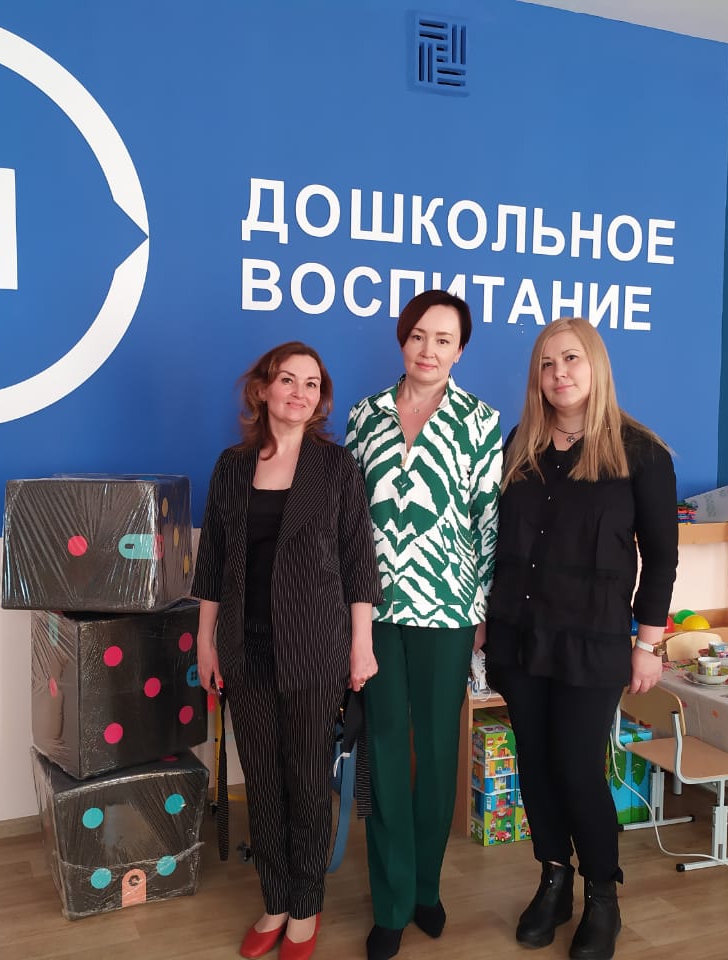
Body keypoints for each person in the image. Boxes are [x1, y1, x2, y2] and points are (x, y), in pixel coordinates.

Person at [484, 317, 678, 960]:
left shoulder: (640, 452)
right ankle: (553, 880)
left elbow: (662, 558)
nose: (558, 373)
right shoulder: (521, 446)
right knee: (535, 766)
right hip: (518, 636)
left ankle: (602, 895)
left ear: (595, 365)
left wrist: (648, 645)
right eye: (546, 363)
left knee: (577, 768)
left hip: (593, 642)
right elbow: (498, 541)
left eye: (570, 359)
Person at [193, 341, 382, 960]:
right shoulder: (231, 466)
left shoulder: (336, 467)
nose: (299, 392)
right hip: (244, 648)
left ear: (320, 398)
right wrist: (206, 643)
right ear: (263, 390)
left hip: (315, 647)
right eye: (287, 380)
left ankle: (305, 908)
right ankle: (274, 899)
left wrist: (361, 646)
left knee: (306, 781)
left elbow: (358, 562)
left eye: (311, 383)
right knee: (263, 779)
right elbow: (212, 561)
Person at [345, 290, 502, 960]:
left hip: (449, 610)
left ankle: (427, 889)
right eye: (418, 336)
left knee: (437, 755)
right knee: (385, 750)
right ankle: (390, 902)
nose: (428, 350)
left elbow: (488, 520)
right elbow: (349, 522)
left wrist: (483, 611)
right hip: (376, 612)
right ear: (402, 340)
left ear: (459, 350)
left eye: (443, 339)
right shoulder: (365, 416)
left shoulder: (480, 421)